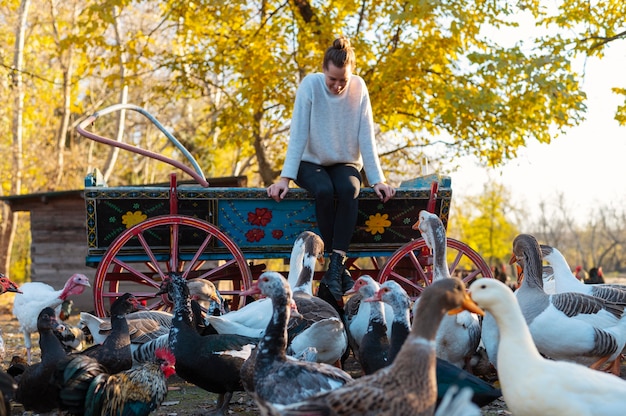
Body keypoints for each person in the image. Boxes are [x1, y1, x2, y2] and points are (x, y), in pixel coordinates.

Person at [267, 36, 395, 308]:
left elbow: (366, 136)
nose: (337, 86)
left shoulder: (359, 88)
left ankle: (335, 266)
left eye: (342, 80)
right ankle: (337, 271)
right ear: (324, 70)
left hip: (344, 162)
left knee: (350, 188)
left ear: (351, 74)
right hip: (308, 162)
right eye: (332, 80)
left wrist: (377, 179)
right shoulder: (311, 86)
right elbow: (298, 134)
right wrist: (285, 178)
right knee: (324, 190)